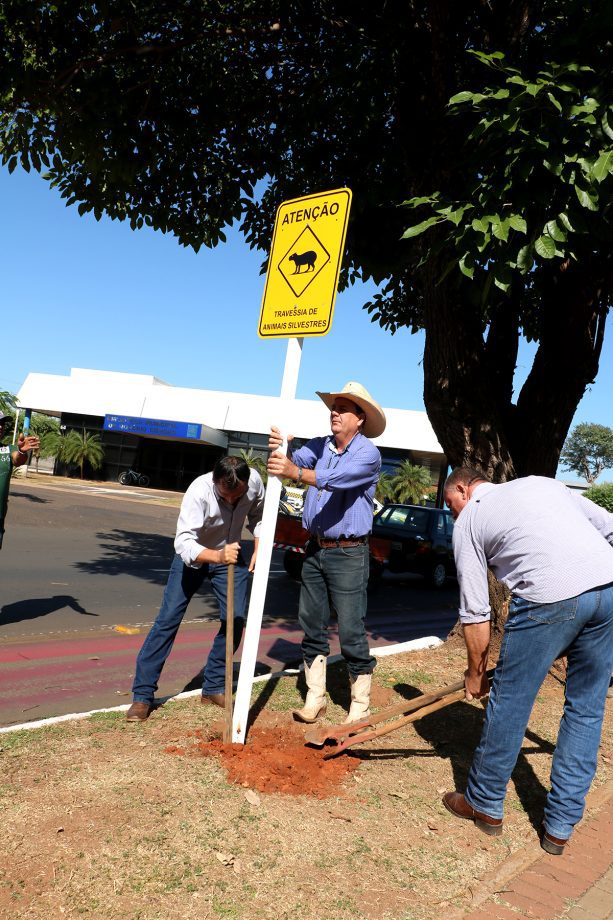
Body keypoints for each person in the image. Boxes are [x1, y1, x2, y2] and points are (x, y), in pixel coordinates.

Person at [441, 466, 613, 855]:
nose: (454, 514)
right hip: (609, 587)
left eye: (452, 505)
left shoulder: (469, 519)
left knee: (510, 703)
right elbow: (611, 527)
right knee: (586, 710)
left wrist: (475, 673)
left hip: (548, 596)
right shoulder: (542, 484)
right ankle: (560, 828)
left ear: (464, 489)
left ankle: (483, 804)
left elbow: (475, 610)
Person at [268, 381, 386, 724]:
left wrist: (295, 471)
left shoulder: (368, 454)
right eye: (334, 406)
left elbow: (336, 478)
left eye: (344, 407)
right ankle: (316, 698)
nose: (335, 412)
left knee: (350, 628)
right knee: (311, 624)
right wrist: (280, 449)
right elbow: (286, 463)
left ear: (360, 418)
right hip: (315, 548)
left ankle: (359, 705)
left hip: (349, 553)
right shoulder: (319, 445)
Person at [126, 455, 265, 722]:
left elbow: (258, 514)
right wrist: (216, 556)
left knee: (235, 620)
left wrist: (258, 543)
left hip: (231, 556)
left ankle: (212, 687)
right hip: (196, 557)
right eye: (227, 497)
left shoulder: (254, 482)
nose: (234, 501)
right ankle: (142, 696)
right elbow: (183, 542)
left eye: (239, 495)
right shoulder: (199, 492)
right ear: (215, 483)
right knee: (168, 620)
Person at [0, 414, 40, 550]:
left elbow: (18, 459)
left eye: (2, 424)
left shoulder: (7, 450)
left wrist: (22, 452)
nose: (0, 427)